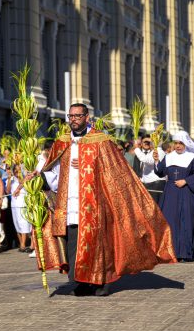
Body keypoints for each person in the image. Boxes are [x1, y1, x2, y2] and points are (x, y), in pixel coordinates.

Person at [36, 103, 176, 296]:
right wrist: (39, 177)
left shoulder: (100, 140)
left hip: (95, 202)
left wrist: (88, 166)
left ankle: (102, 281)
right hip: (69, 202)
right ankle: (81, 281)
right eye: (71, 116)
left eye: (77, 116)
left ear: (86, 117)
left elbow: (114, 171)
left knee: (98, 243)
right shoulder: (62, 142)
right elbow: (52, 171)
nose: (73, 120)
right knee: (73, 242)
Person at [154, 131, 194, 261]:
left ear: (186, 144)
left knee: (186, 222)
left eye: (180, 143)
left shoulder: (192, 157)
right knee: (170, 221)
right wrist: (156, 161)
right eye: (176, 143)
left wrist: (186, 181)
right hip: (171, 194)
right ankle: (170, 253)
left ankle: (185, 253)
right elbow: (160, 172)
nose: (178, 146)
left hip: (187, 193)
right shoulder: (169, 157)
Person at [6, 164, 32, 253]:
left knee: (23, 223)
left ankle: (23, 244)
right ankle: (21, 243)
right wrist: (9, 178)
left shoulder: (25, 179)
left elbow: (23, 183)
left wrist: (21, 175)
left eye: (19, 171)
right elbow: (8, 191)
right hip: (14, 205)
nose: (17, 173)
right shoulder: (12, 179)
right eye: (15, 171)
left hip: (23, 204)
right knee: (17, 224)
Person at [135, 134, 166, 204]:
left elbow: (145, 159)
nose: (149, 142)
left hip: (155, 184)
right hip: (150, 184)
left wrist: (137, 148)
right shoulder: (154, 151)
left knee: (154, 207)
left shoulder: (159, 151)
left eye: (151, 141)